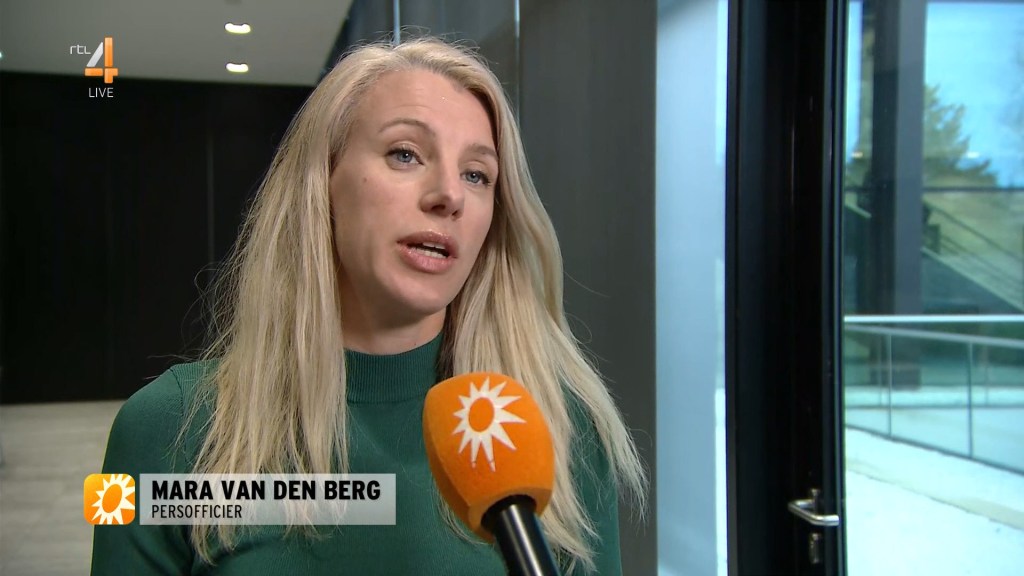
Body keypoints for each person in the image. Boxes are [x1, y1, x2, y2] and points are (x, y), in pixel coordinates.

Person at [91, 36, 646, 575]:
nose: (449, 194)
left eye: (477, 174)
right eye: (405, 154)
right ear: (323, 184)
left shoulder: (558, 428)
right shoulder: (161, 429)